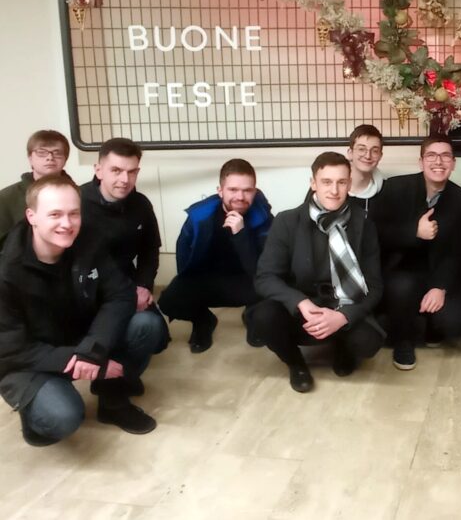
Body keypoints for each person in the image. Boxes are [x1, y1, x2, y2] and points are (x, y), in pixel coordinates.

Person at [0, 176, 167, 445]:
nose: (67, 223)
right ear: (32, 216)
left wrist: (92, 351)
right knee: (63, 416)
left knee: (147, 325)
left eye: (74, 213)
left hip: (81, 337)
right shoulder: (6, 271)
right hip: (30, 358)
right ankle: (34, 415)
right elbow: (11, 350)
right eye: (55, 214)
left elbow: (120, 294)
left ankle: (112, 401)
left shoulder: (87, 240)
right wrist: (80, 361)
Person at [252, 152, 384, 392]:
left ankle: (343, 348)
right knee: (262, 317)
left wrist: (344, 316)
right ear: (313, 183)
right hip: (304, 306)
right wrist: (299, 302)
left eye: (341, 182)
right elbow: (265, 278)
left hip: (344, 303)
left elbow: (374, 286)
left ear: (349, 184)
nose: (334, 190)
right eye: (326, 182)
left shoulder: (363, 224)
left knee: (368, 342)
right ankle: (296, 363)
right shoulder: (287, 221)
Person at [369, 134, 461, 370]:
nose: (439, 162)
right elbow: (374, 232)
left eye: (445, 156)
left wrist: (440, 286)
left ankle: (432, 325)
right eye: (431, 156)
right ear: (421, 162)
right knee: (402, 287)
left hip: (436, 270)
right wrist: (413, 232)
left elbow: (457, 250)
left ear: (453, 163)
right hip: (401, 269)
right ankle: (403, 341)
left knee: (455, 324)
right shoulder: (395, 187)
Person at [158, 159, 273, 353]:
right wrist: (186, 287)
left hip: (248, 280)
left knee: (275, 290)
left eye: (247, 190)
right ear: (220, 191)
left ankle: (253, 316)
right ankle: (203, 321)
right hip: (208, 280)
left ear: (255, 191)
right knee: (169, 300)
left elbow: (263, 269)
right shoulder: (200, 217)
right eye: (233, 190)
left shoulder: (264, 218)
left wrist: (241, 235)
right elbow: (183, 254)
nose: (240, 197)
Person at [79, 138, 168, 379]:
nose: (125, 179)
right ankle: (111, 380)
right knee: (108, 332)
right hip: (88, 291)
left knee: (156, 336)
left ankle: (122, 378)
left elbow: (150, 249)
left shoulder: (141, 204)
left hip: (127, 284)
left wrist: (143, 285)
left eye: (132, 172)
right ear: (99, 170)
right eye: (116, 170)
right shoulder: (76, 203)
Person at [0, 130, 70, 246]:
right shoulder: (6, 198)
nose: (50, 157)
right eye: (41, 152)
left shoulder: (79, 194)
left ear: (65, 158)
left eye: (57, 153)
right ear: (30, 158)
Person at [305, 124, 385, 217]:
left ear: (380, 156)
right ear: (350, 153)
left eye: (375, 151)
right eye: (361, 149)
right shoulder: (324, 186)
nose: (368, 156)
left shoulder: (385, 191)